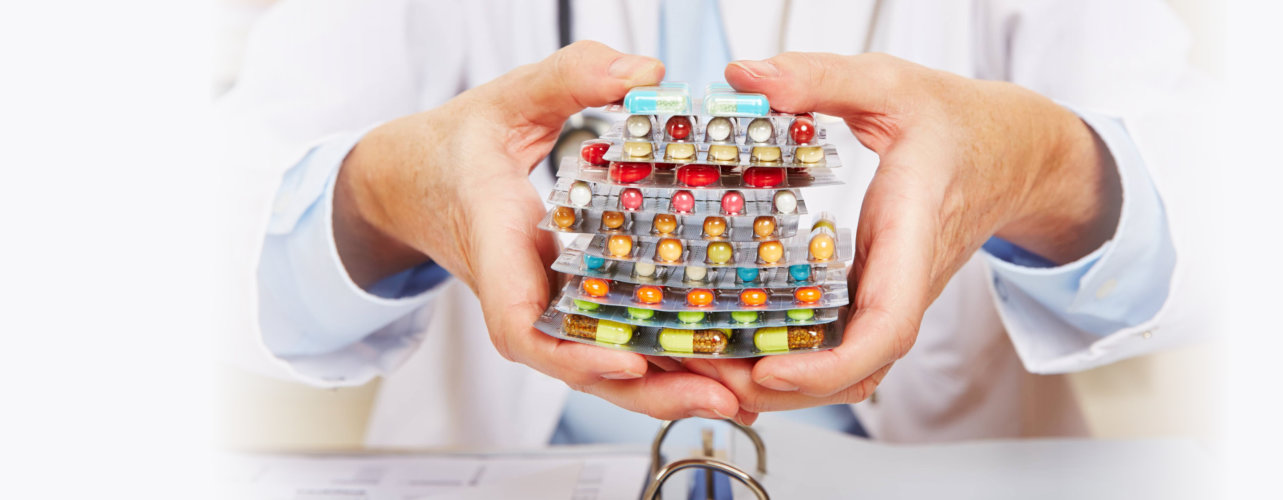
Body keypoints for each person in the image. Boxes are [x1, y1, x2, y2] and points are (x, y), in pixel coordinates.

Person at [215, 0, 1203, 448]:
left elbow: (1218, 187)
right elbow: (207, 221)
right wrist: (378, 194)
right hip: (534, 461)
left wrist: (1047, 164)